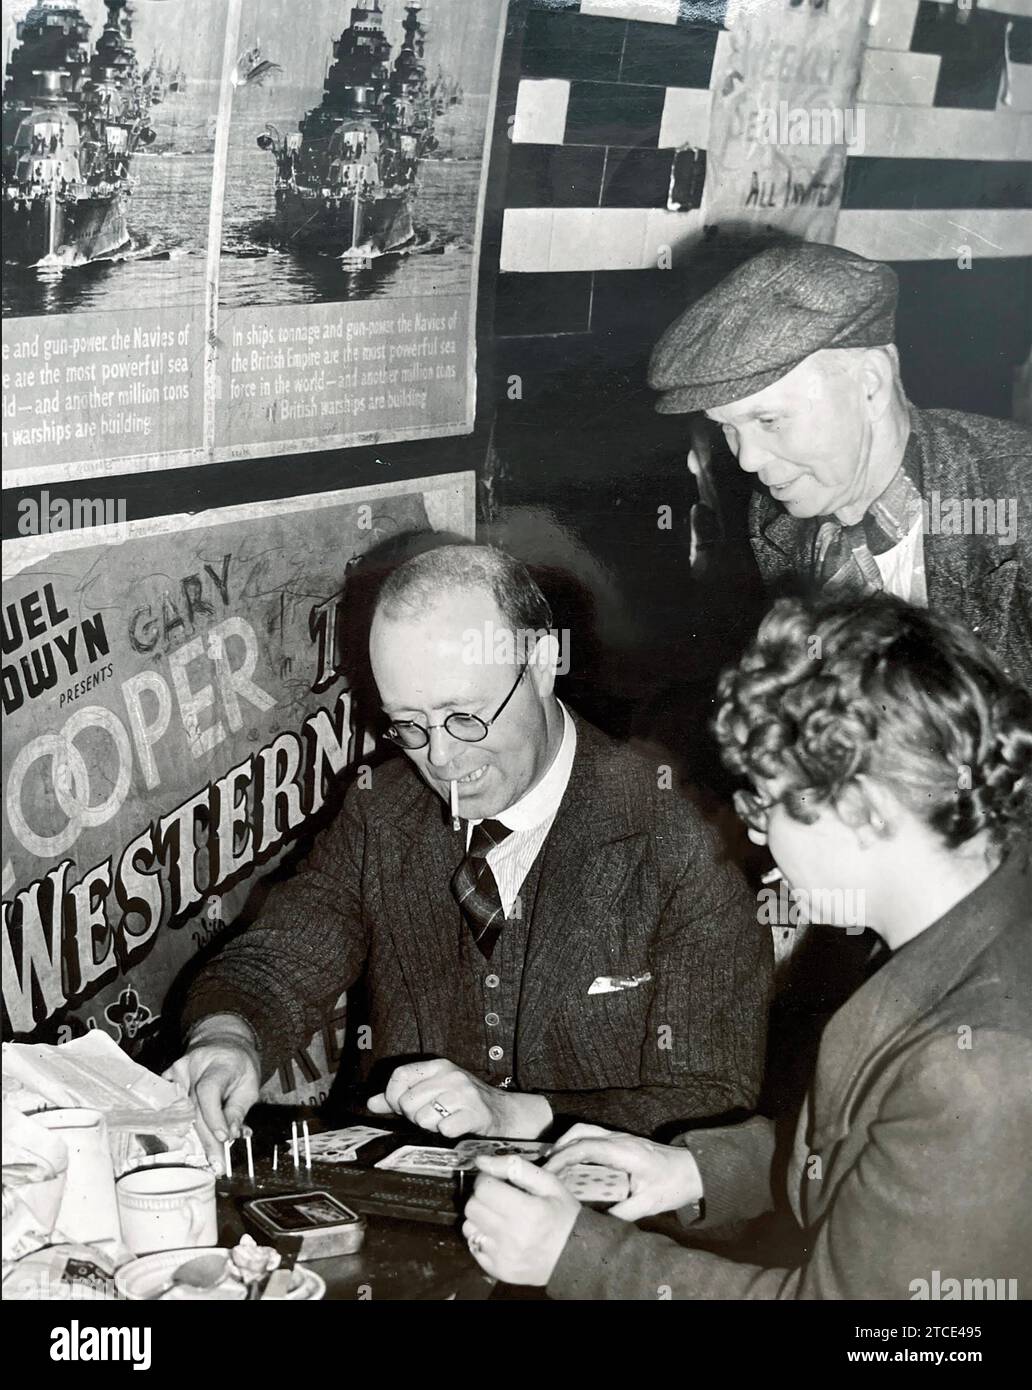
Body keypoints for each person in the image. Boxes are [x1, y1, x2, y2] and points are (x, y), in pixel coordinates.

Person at [461, 594, 1032, 1299]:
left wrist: (576, 1255)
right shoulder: (984, 907)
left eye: (765, 805)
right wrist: (695, 1171)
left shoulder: (980, 1065)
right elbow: (884, 1142)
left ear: (860, 812)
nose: (757, 837)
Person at [169, 545, 771, 1165]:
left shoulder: (685, 840)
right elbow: (273, 965)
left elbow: (714, 1101)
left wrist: (522, 1115)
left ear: (540, 663)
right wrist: (227, 1040)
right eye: (409, 725)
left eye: (465, 717)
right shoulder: (383, 814)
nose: (442, 760)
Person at [648, 242, 1032, 690]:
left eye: (768, 420)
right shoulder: (776, 521)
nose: (747, 458)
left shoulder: (1018, 495)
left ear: (871, 385)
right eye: (728, 428)